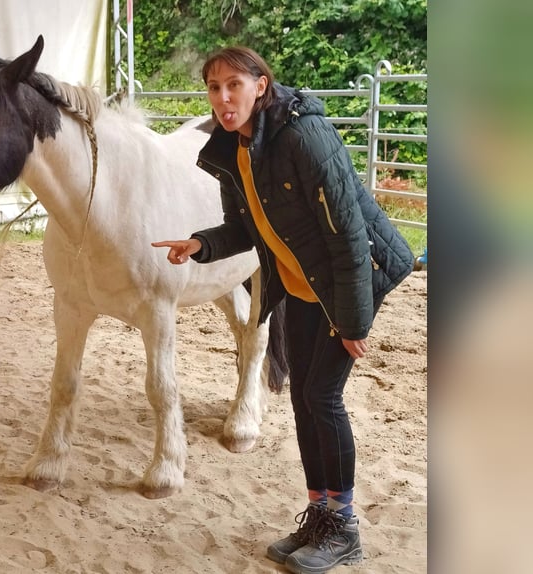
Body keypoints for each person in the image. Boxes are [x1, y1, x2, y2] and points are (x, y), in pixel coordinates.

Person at [152, 46, 414, 574]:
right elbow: (247, 228)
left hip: (352, 276)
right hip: (301, 286)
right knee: (300, 396)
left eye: (233, 85)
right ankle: (320, 517)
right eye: (212, 87)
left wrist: (353, 320)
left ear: (261, 86)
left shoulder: (303, 136)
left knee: (323, 397)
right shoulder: (234, 148)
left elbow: (349, 235)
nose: (222, 98)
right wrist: (201, 244)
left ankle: (344, 528)